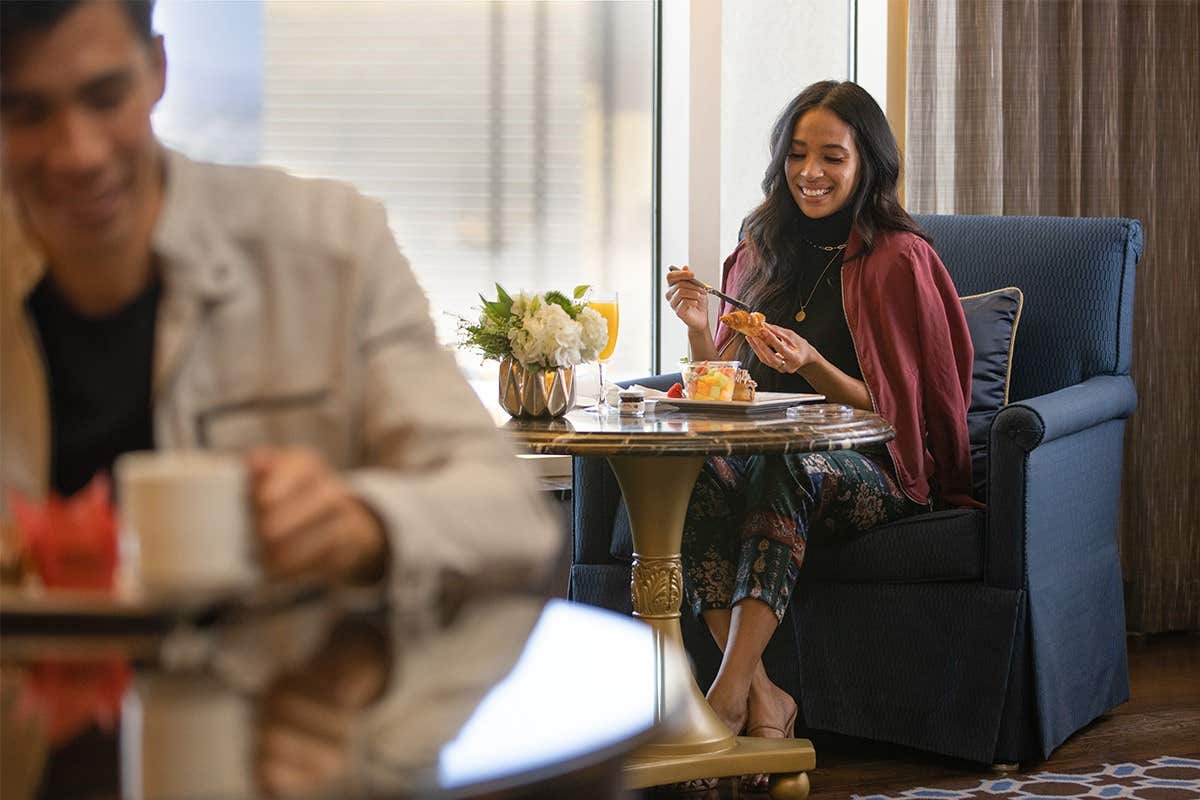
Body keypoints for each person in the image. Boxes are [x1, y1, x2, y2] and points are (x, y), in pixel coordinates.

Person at [0, 0, 558, 611]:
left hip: (287, 697)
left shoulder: (329, 247)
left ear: (158, 69)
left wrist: (366, 522)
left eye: (106, 98)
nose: (78, 153)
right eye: (27, 112)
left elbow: (509, 516)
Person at [665, 80, 978, 788]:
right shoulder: (758, 246)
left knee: (784, 463)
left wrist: (815, 366)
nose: (811, 173)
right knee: (692, 473)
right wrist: (695, 331)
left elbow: (906, 412)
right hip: (772, 456)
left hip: (876, 464)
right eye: (798, 155)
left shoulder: (901, 259)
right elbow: (725, 383)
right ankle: (765, 696)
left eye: (832, 157)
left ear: (867, 162)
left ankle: (722, 700)